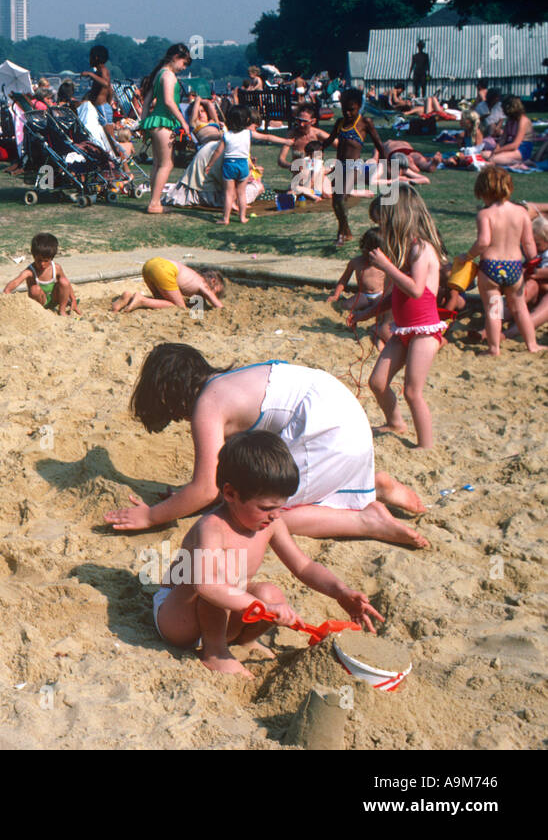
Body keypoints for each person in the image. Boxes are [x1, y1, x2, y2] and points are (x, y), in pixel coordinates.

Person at [105, 343, 428, 547]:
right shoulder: (231, 381)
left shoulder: (209, 404)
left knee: (262, 515)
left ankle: (365, 520)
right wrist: (186, 493)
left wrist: (152, 516)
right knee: (254, 491)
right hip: (342, 418)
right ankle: (370, 483)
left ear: (169, 396)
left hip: (330, 434)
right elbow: (226, 474)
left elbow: (206, 490)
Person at [152, 431, 384, 677]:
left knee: (270, 593)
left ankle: (240, 641)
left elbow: (303, 566)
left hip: (222, 613)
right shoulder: (212, 527)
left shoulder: (272, 523)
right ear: (230, 494)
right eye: (265, 508)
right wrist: (262, 606)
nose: (275, 515)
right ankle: (215, 651)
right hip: (178, 616)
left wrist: (339, 591)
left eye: (280, 506)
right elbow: (206, 585)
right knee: (221, 576)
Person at [353, 186, 447, 449]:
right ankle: (395, 421)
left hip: (425, 331)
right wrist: (365, 313)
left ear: (398, 217)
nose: (381, 229)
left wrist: (386, 266)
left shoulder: (421, 250)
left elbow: (416, 290)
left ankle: (425, 446)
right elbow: (393, 297)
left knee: (412, 391)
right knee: (377, 382)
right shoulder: (405, 250)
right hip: (404, 330)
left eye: (382, 221)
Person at [455, 167, 541, 356]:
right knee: (520, 308)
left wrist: (467, 256)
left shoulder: (485, 214)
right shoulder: (521, 212)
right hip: (514, 267)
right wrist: (532, 260)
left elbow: (484, 242)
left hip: (491, 268)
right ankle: (532, 345)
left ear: (483, 191)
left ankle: (494, 348)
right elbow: (528, 242)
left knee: (494, 310)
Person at [317, 88, 387, 247]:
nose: (348, 113)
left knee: (340, 198)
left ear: (359, 106)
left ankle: (340, 234)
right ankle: (346, 229)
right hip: (339, 166)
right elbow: (329, 141)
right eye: (344, 109)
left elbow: (379, 144)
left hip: (354, 167)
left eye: (351, 109)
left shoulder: (365, 123)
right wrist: (318, 147)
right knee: (336, 202)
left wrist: (384, 161)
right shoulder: (339, 123)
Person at [139, 43, 193, 213]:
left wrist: (143, 123)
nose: (183, 68)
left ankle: (154, 201)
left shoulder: (158, 74)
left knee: (157, 163)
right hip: (164, 122)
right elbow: (169, 102)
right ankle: (154, 203)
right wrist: (184, 122)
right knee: (167, 164)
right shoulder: (169, 75)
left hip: (154, 122)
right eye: (183, 64)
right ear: (176, 58)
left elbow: (147, 101)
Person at [3, 232, 79, 315]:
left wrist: (73, 300)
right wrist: (6, 292)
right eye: (39, 260)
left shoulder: (56, 268)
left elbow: (67, 285)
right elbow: (16, 282)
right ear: (33, 256)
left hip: (55, 298)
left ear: (51, 258)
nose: (42, 264)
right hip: (41, 302)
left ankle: (62, 310)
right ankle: (41, 312)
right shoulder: (30, 271)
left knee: (64, 282)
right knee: (34, 289)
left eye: (46, 261)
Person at [112, 258, 225, 313]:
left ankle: (128, 298)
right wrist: (223, 309)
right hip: (165, 270)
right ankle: (141, 300)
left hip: (150, 265)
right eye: (216, 292)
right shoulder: (204, 284)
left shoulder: (192, 276)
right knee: (179, 307)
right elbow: (218, 305)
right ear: (213, 281)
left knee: (160, 301)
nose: (214, 294)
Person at [328, 230, 388, 321]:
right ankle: (364, 308)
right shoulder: (356, 262)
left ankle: (369, 311)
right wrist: (336, 295)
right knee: (345, 306)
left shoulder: (384, 262)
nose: (368, 255)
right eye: (365, 250)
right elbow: (344, 280)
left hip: (379, 295)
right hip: (364, 295)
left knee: (382, 311)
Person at [279, 103, 331, 199]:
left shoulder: (318, 134)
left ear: (313, 121)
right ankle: (303, 191)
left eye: (305, 122)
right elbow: (281, 160)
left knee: (327, 194)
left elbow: (340, 145)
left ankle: (308, 191)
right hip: (301, 177)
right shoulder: (292, 135)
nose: (301, 124)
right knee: (294, 192)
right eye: (298, 120)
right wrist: (290, 165)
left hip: (317, 175)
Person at [484, 97, 533, 167]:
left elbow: (515, 145)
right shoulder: (510, 121)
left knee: (494, 159)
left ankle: (524, 162)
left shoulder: (523, 121)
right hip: (511, 147)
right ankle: (514, 162)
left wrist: (498, 151)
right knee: (484, 154)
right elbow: (503, 139)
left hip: (522, 149)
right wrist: (496, 148)